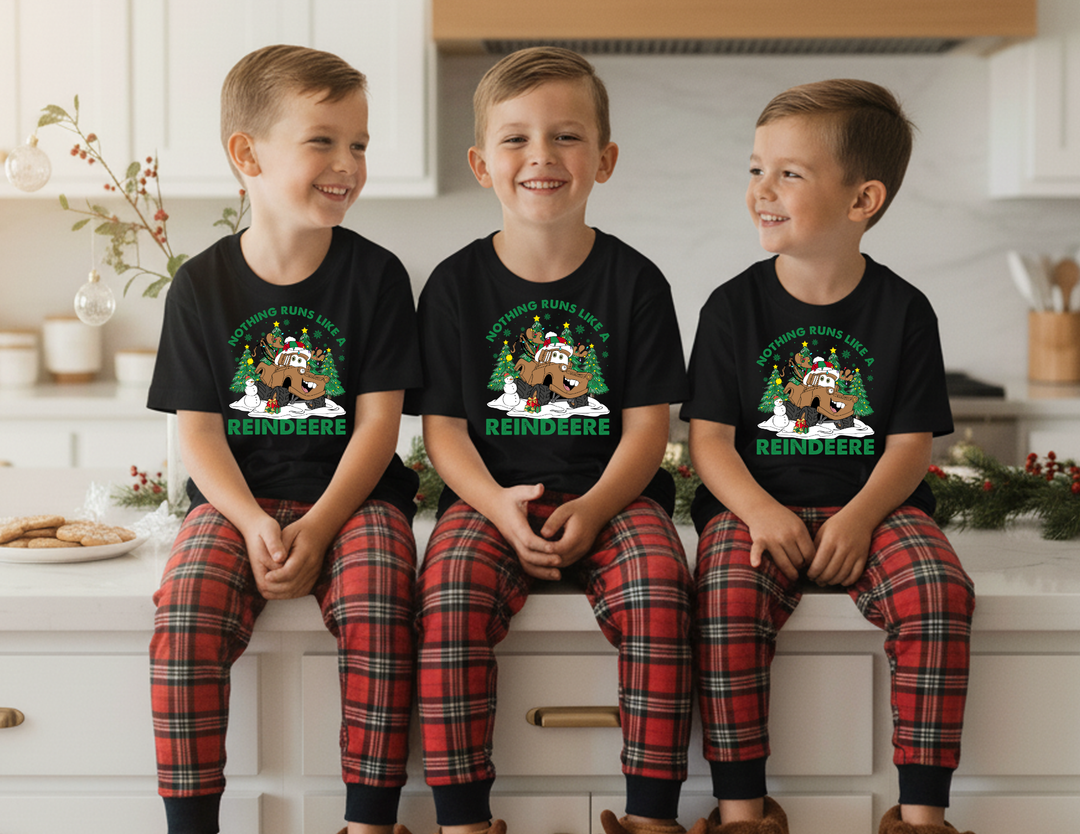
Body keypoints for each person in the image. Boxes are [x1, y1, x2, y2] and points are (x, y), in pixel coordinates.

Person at [405, 46, 693, 834]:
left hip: (616, 494)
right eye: (516, 138)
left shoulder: (636, 283)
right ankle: (463, 819)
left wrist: (598, 507)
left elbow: (648, 429)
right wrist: (496, 506)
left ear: (604, 159)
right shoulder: (455, 286)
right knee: (450, 594)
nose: (541, 156)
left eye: (566, 137)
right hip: (489, 495)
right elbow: (445, 430)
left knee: (661, 589)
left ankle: (651, 816)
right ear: (480, 163)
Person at [680, 79, 977, 834]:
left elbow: (911, 443)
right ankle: (743, 811)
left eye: (790, 173)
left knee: (939, 594)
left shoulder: (904, 309)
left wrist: (859, 518)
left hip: (877, 508)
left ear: (862, 200)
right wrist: (759, 512)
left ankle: (920, 816)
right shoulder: (730, 307)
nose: (762, 190)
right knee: (724, 603)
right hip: (757, 510)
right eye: (756, 169)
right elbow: (708, 441)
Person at [146, 44, 422, 834]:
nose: (348, 163)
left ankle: (370, 821)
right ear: (247, 155)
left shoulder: (376, 276)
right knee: (187, 611)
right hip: (238, 502)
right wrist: (256, 522)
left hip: (356, 496)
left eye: (359, 144)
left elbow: (378, 424)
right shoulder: (201, 283)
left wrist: (322, 522)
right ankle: (190, 823)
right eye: (323, 140)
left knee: (378, 602)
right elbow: (197, 429)